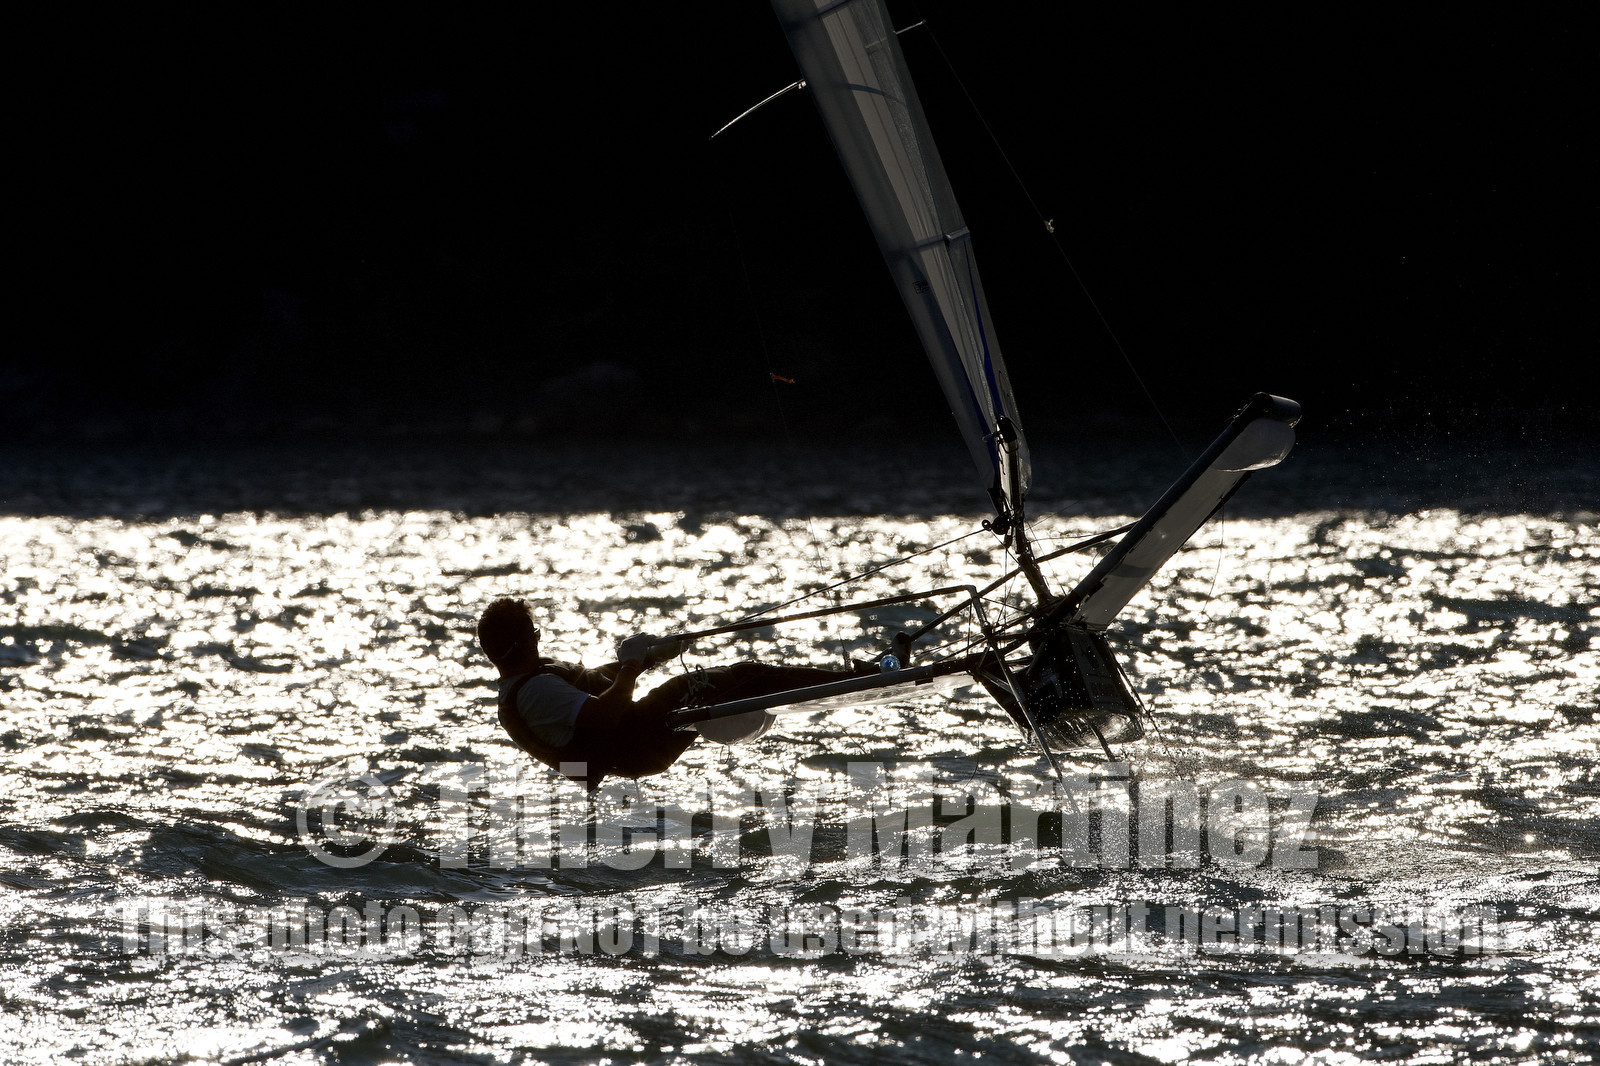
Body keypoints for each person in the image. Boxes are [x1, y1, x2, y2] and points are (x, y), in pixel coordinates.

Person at [476, 597, 867, 788]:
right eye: (534, 635)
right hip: (637, 744)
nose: (539, 641)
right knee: (743, 677)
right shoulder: (535, 692)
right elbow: (607, 714)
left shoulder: (532, 681)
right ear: (520, 644)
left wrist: (651, 657)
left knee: (740, 679)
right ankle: (851, 679)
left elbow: (596, 682)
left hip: (636, 742)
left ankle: (844, 678)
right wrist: (631, 665)